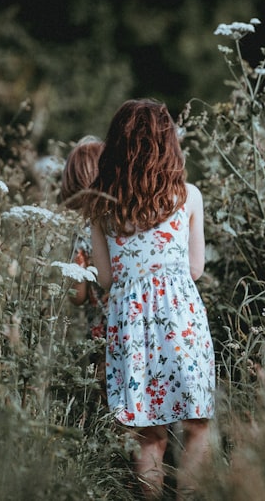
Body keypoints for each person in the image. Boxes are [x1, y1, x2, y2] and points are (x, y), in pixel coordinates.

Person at [83, 99, 214, 500]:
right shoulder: (188, 197)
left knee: (148, 437)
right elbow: (195, 269)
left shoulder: (101, 206)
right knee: (196, 426)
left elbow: (105, 278)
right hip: (181, 318)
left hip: (130, 323)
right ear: (169, 144)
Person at [60, 136, 108, 392]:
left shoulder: (82, 231)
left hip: (102, 330)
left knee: (109, 401)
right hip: (136, 319)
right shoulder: (122, 221)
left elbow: (78, 295)